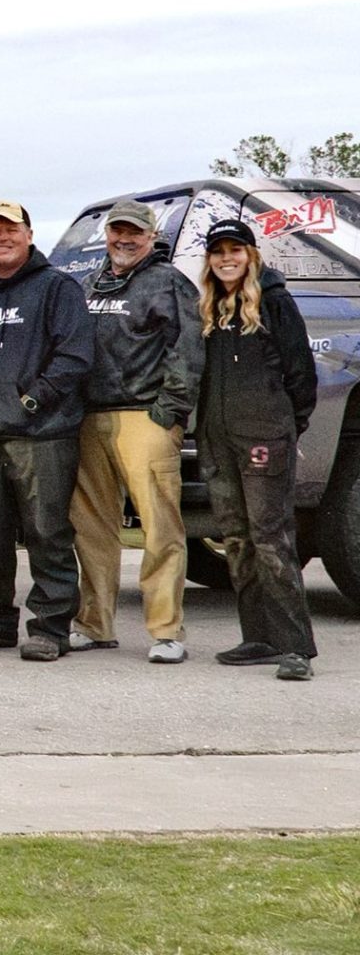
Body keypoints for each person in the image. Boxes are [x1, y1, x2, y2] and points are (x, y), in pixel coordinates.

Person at [0, 199, 95, 662]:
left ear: (29, 234)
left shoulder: (57, 288)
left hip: (44, 434)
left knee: (46, 533)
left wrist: (33, 398)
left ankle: (51, 627)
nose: (1, 237)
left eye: (10, 229)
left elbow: (74, 355)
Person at [73, 199, 201, 664]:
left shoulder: (168, 282)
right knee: (91, 527)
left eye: (134, 232)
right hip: (88, 417)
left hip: (144, 415)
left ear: (151, 237)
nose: (123, 240)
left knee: (159, 527)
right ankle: (94, 623)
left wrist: (170, 409)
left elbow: (187, 350)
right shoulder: (89, 283)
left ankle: (166, 631)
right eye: (117, 231)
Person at [196, 218, 319, 682]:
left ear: (251, 254)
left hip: (265, 437)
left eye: (235, 249)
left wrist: (289, 428)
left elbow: (301, 374)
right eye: (218, 251)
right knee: (236, 538)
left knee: (271, 538)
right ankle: (260, 636)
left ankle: (296, 647)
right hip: (218, 439)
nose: (227, 258)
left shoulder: (276, 302)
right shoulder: (212, 307)